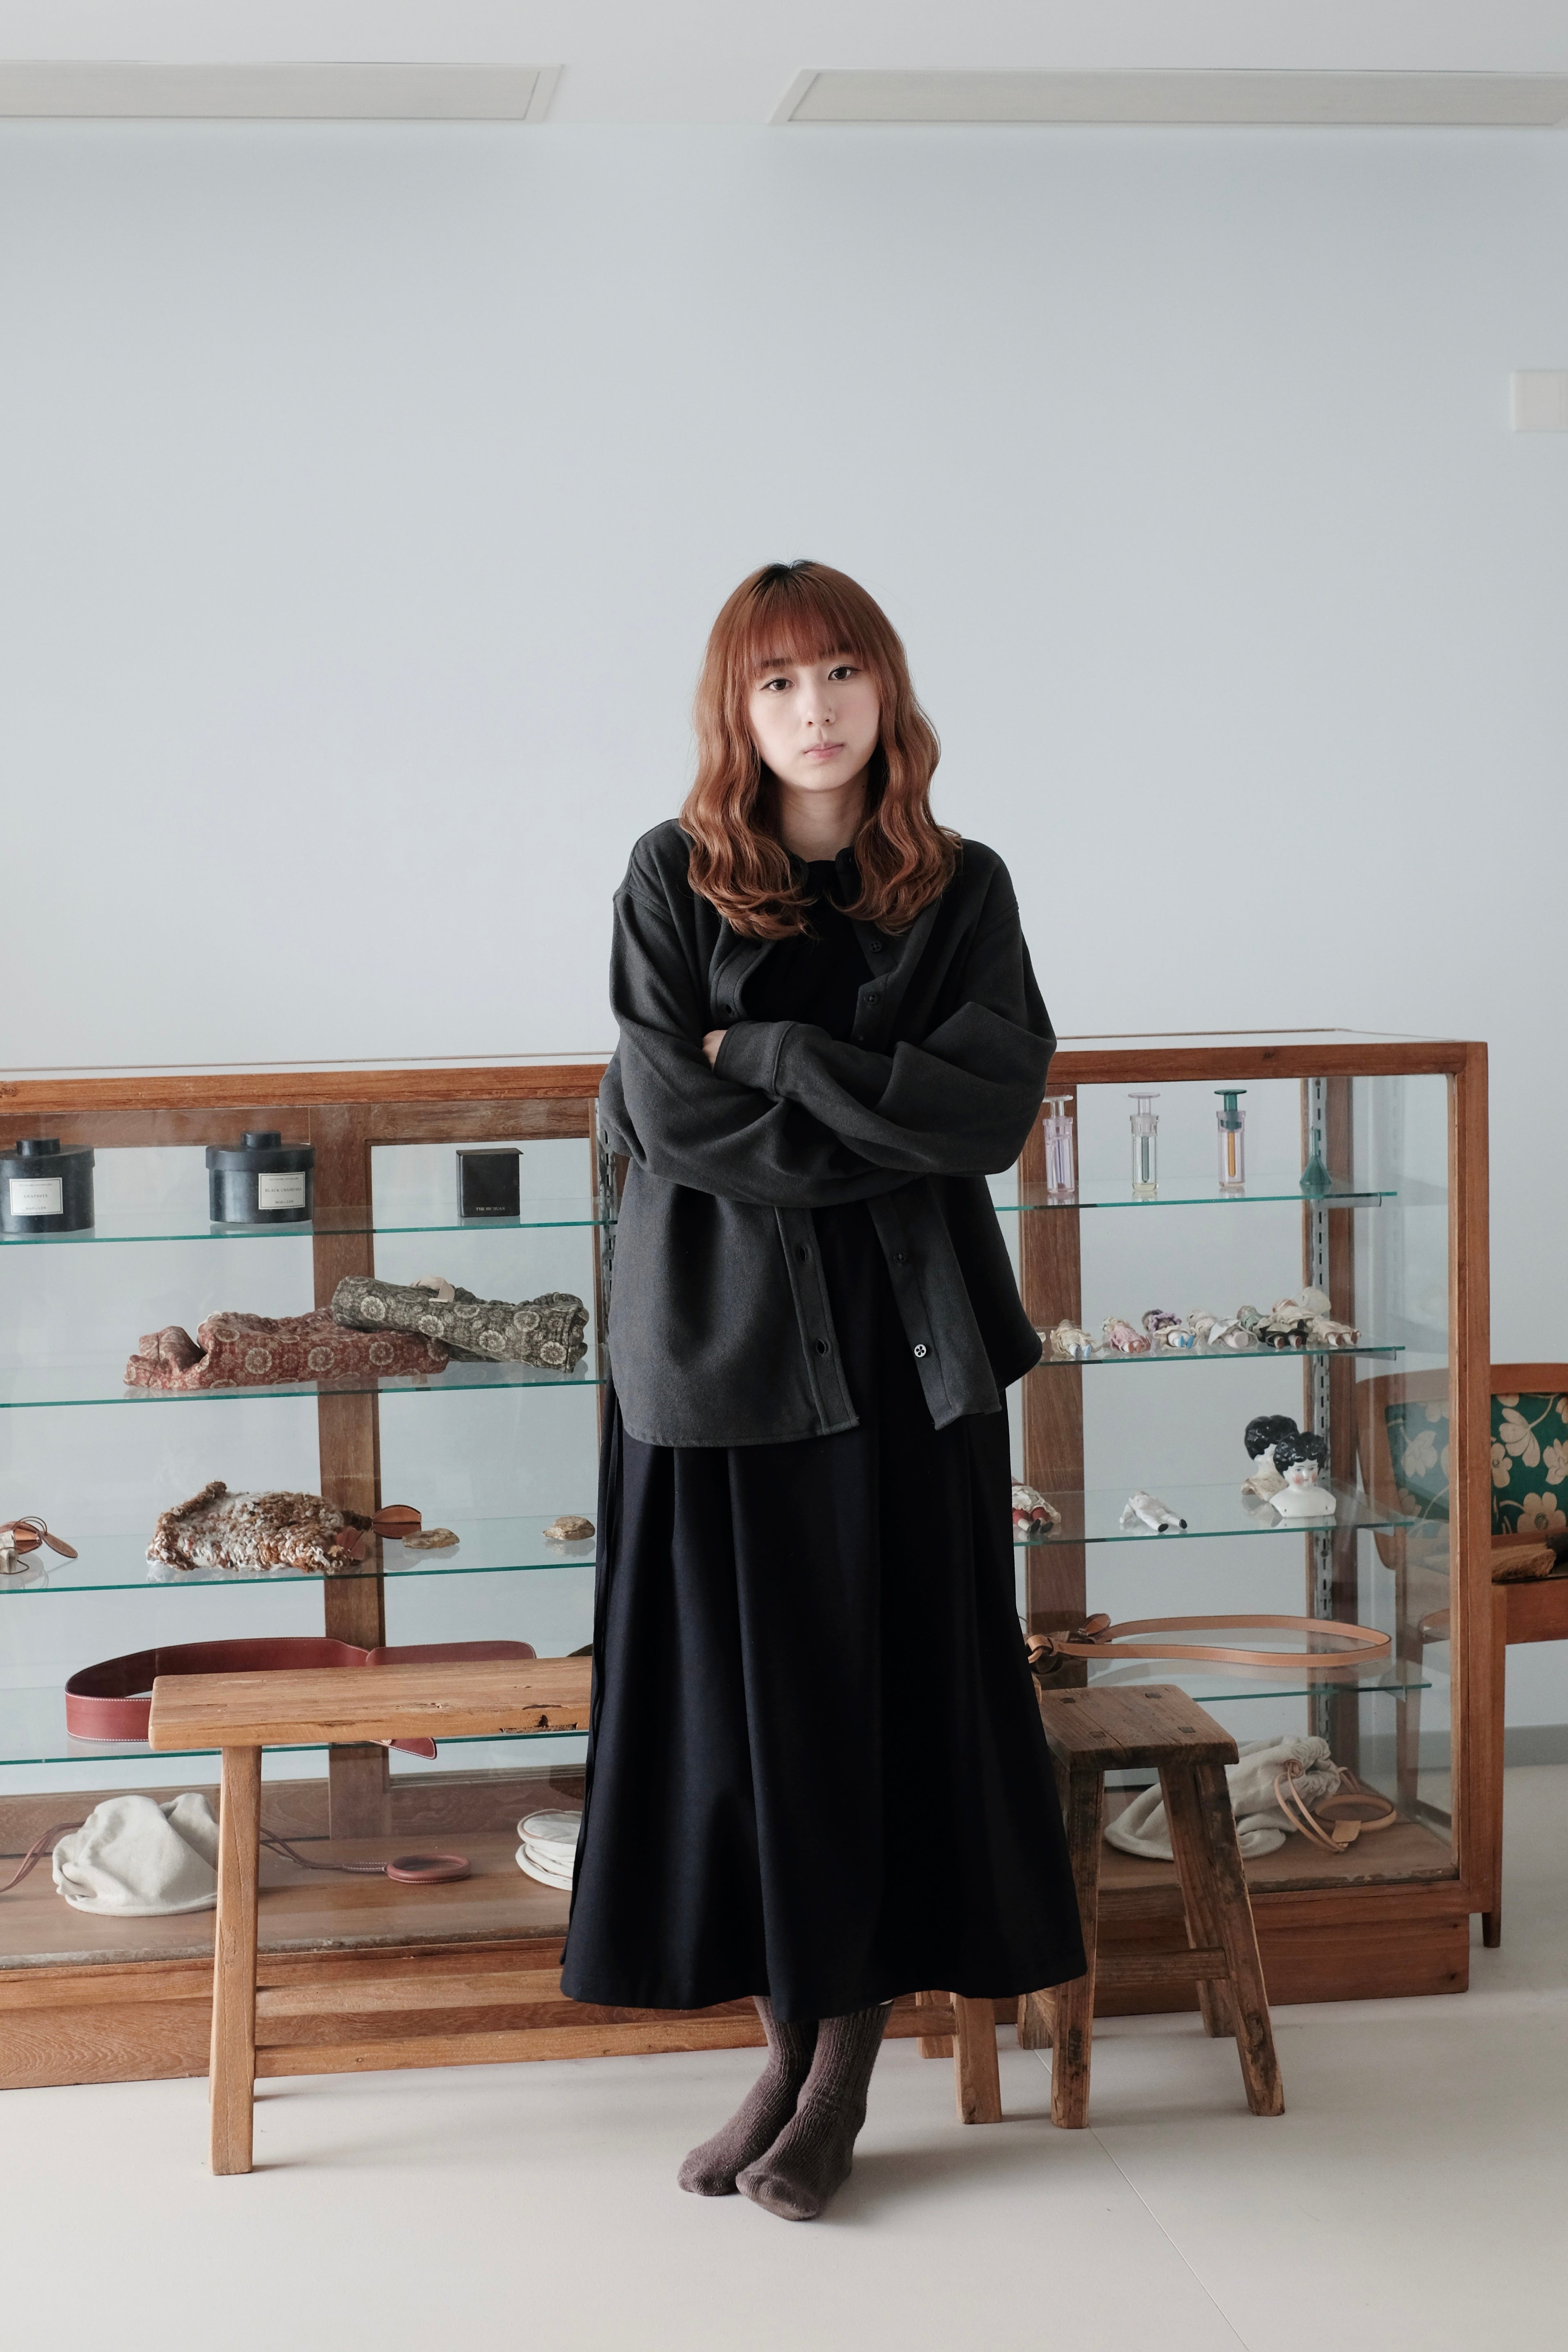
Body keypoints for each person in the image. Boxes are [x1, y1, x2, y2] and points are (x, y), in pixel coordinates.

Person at [560, 560, 1084, 2221]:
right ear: (738, 706)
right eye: (777, 681)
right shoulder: (670, 875)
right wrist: (873, 1117)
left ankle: (842, 2072)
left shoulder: (963, 885)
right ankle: (786, 2051)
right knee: (745, 1722)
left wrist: (779, 1055)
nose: (813, 709)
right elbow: (665, 1112)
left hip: (908, 1356)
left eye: (840, 672)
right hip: (714, 1361)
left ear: (885, 689)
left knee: (887, 1705)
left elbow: (985, 1112)